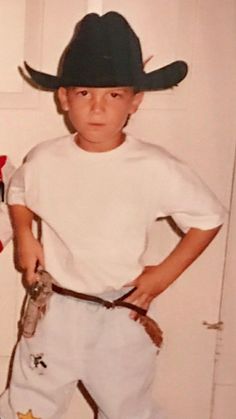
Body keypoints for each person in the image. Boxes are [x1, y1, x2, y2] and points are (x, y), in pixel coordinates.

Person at [0, 11, 226, 419]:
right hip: (55, 308)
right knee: (29, 402)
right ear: (64, 97)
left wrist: (163, 275)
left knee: (126, 407)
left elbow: (209, 218)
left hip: (120, 310)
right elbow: (18, 192)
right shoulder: (45, 159)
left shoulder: (155, 167)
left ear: (135, 101)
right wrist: (25, 233)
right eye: (85, 94)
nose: (98, 109)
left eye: (114, 95)